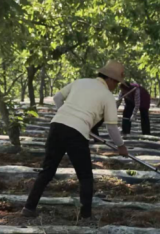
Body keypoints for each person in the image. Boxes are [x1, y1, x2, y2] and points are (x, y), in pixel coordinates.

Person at [22, 60, 129, 219]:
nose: (116, 86)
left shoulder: (80, 82)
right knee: (85, 176)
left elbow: (57, 98)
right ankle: (85, 216)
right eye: (117, 82)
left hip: (57, 126)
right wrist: (121, 146)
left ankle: (29, 207)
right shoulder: (107, 96)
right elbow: (111, 127)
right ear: (110, 79)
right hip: (77, 133)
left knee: (47, 170)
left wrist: (65, 115)